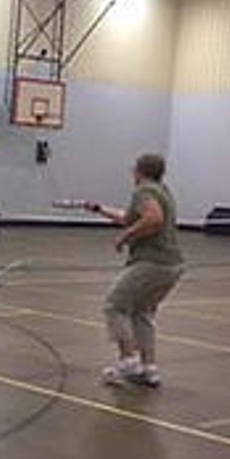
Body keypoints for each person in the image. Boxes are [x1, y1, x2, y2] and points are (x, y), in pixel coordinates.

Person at [84, 153, 184, 387]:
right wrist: (99, 209)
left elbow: (153, 219)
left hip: (152, 262)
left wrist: (125, 237)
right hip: (173, 265)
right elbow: (129, 217)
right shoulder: (162, 191)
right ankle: (149, 368)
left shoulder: (144, 191)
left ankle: (129, 360)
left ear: (139, 171)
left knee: (114, 305)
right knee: (142, 313)